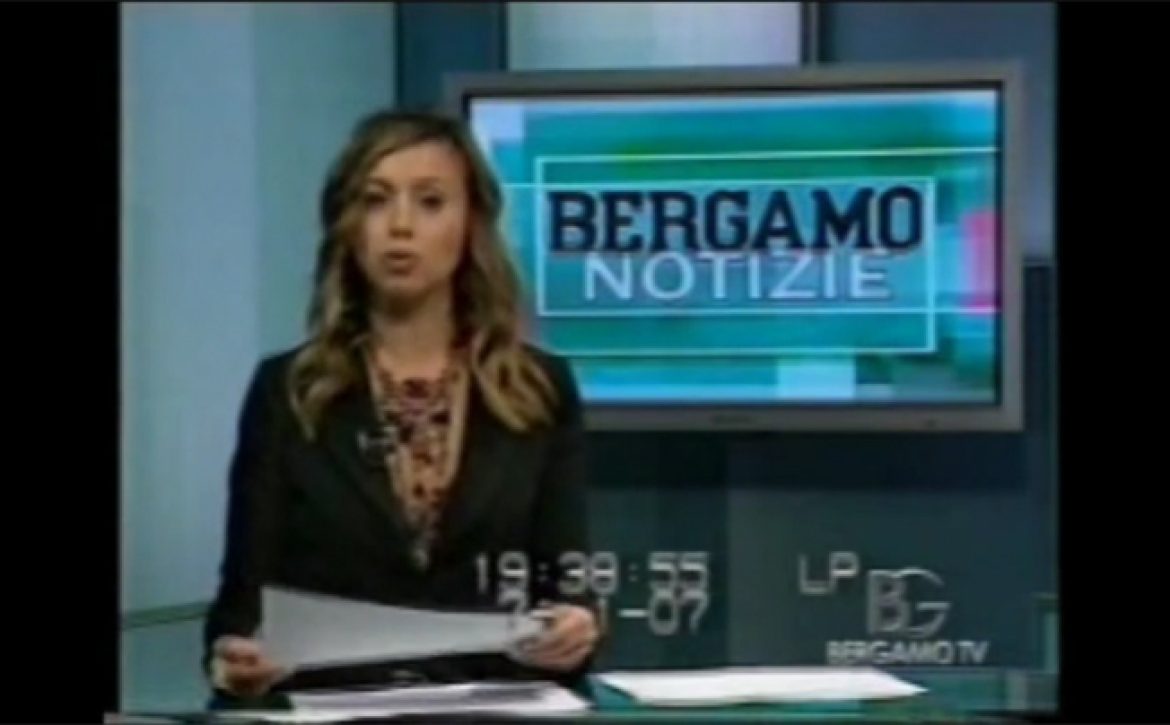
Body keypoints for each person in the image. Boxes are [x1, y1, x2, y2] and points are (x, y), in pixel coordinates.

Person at [203, 110, 601, 702]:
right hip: (332, 706)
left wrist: (575, 628)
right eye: (376, 200)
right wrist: (234, 659)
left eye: (431, 201)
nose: (401, 225)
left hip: (494, 704)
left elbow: (568, 586)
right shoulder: (287, 390)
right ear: (348, 224)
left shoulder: (539, 388)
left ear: (471, 224)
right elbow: (240, 610)